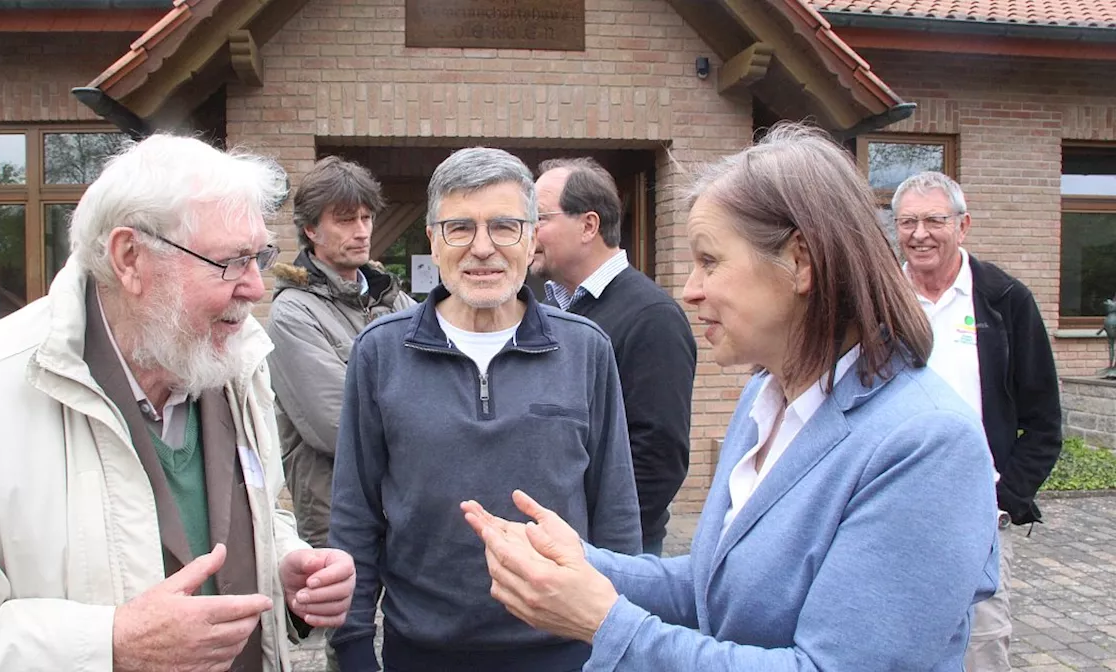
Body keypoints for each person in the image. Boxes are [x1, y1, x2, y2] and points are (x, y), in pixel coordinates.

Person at [461, 124, 1000, 671]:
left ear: (801, 262)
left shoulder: (926, 445)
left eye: (710, 261)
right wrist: (585, 564)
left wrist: (605, 623)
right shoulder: (766, 402)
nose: (691, 289)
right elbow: (710, 585)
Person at [0, 134, 354, 672]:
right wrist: (107, 643)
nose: (255, 287)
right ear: (129, 258)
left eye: (260, 257)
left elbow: (249, 511)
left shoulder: (232, 360)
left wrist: (288, 563)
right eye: (231, 262)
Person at [328, 147, 641, 672]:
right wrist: (353, 641)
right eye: (459, 228)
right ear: (432, 239)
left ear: (530, 237)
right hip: (422, 652)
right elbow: (355, 513)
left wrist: (620, 636)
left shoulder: (586, 349)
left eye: (504, 226)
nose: (482, 249)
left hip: (563, 650)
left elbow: (615, 512)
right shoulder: (380, 353)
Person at [892, 170, 1062, 672]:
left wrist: (1004, 501)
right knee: (892, 635)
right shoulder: (878, 299)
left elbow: (1044, 420)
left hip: (976, 513)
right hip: (891, 503)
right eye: (907, 222)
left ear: (963, 226)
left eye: (933, 220)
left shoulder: (1006, 300)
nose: (919, 233)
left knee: (980, 644)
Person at [532, 157, 696, 555]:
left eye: (538, 218)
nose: (525, 231)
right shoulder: (549, 309)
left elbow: (657, 458)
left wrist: (600, 547)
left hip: (606, 557)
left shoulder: (651, 317)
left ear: (588, 225)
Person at [267, 156, 414, 550]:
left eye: (366, 218)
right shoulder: (292, 312)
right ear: (311, 229)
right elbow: (337, 426)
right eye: (346, 220)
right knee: (349, 614)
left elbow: (446, 382)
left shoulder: (393, 297)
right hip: (338, 515)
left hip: (407, 505)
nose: (362, 231)